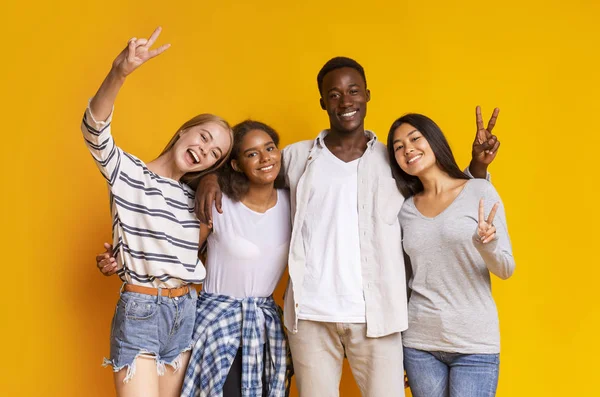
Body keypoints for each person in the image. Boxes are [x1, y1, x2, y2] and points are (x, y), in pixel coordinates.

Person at [194, 57, 500, 397]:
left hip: (377, 317)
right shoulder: (297, 156)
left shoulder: (395, 159)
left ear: (367, 95)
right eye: (335, 94)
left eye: (353, 91)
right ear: (323, 102)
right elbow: (251, 167)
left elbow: (441, 195)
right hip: (311, 317)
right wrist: (211, 178)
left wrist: (476, 168)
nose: (345, 101)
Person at [83, 27, 233, 397]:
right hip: (140, 310)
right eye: (203, 137)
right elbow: (95, 130)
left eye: (215, 153)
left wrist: (119, 255)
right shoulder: (130, 173)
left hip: (184, 311)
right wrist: (120, 73)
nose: (205, 150)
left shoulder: (194, 199)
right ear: (184, 131)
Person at [98, 121, 293, 397]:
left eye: (270, 148)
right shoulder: (215, 204)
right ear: (235, 164)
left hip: (263, 328)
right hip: (213, 325)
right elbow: (178, 251)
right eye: (251, 153)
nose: (264, 158)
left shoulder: (293, 201)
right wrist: (125, 258)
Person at [387, 112, 515, 397]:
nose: (407, 149)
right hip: (420, 344)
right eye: (398, 147)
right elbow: (402, 279)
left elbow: (506, 268)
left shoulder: (479, 190)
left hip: (474, 343)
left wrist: (488, 245)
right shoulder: (404, 209)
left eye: (414, 138)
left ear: (433, 140)